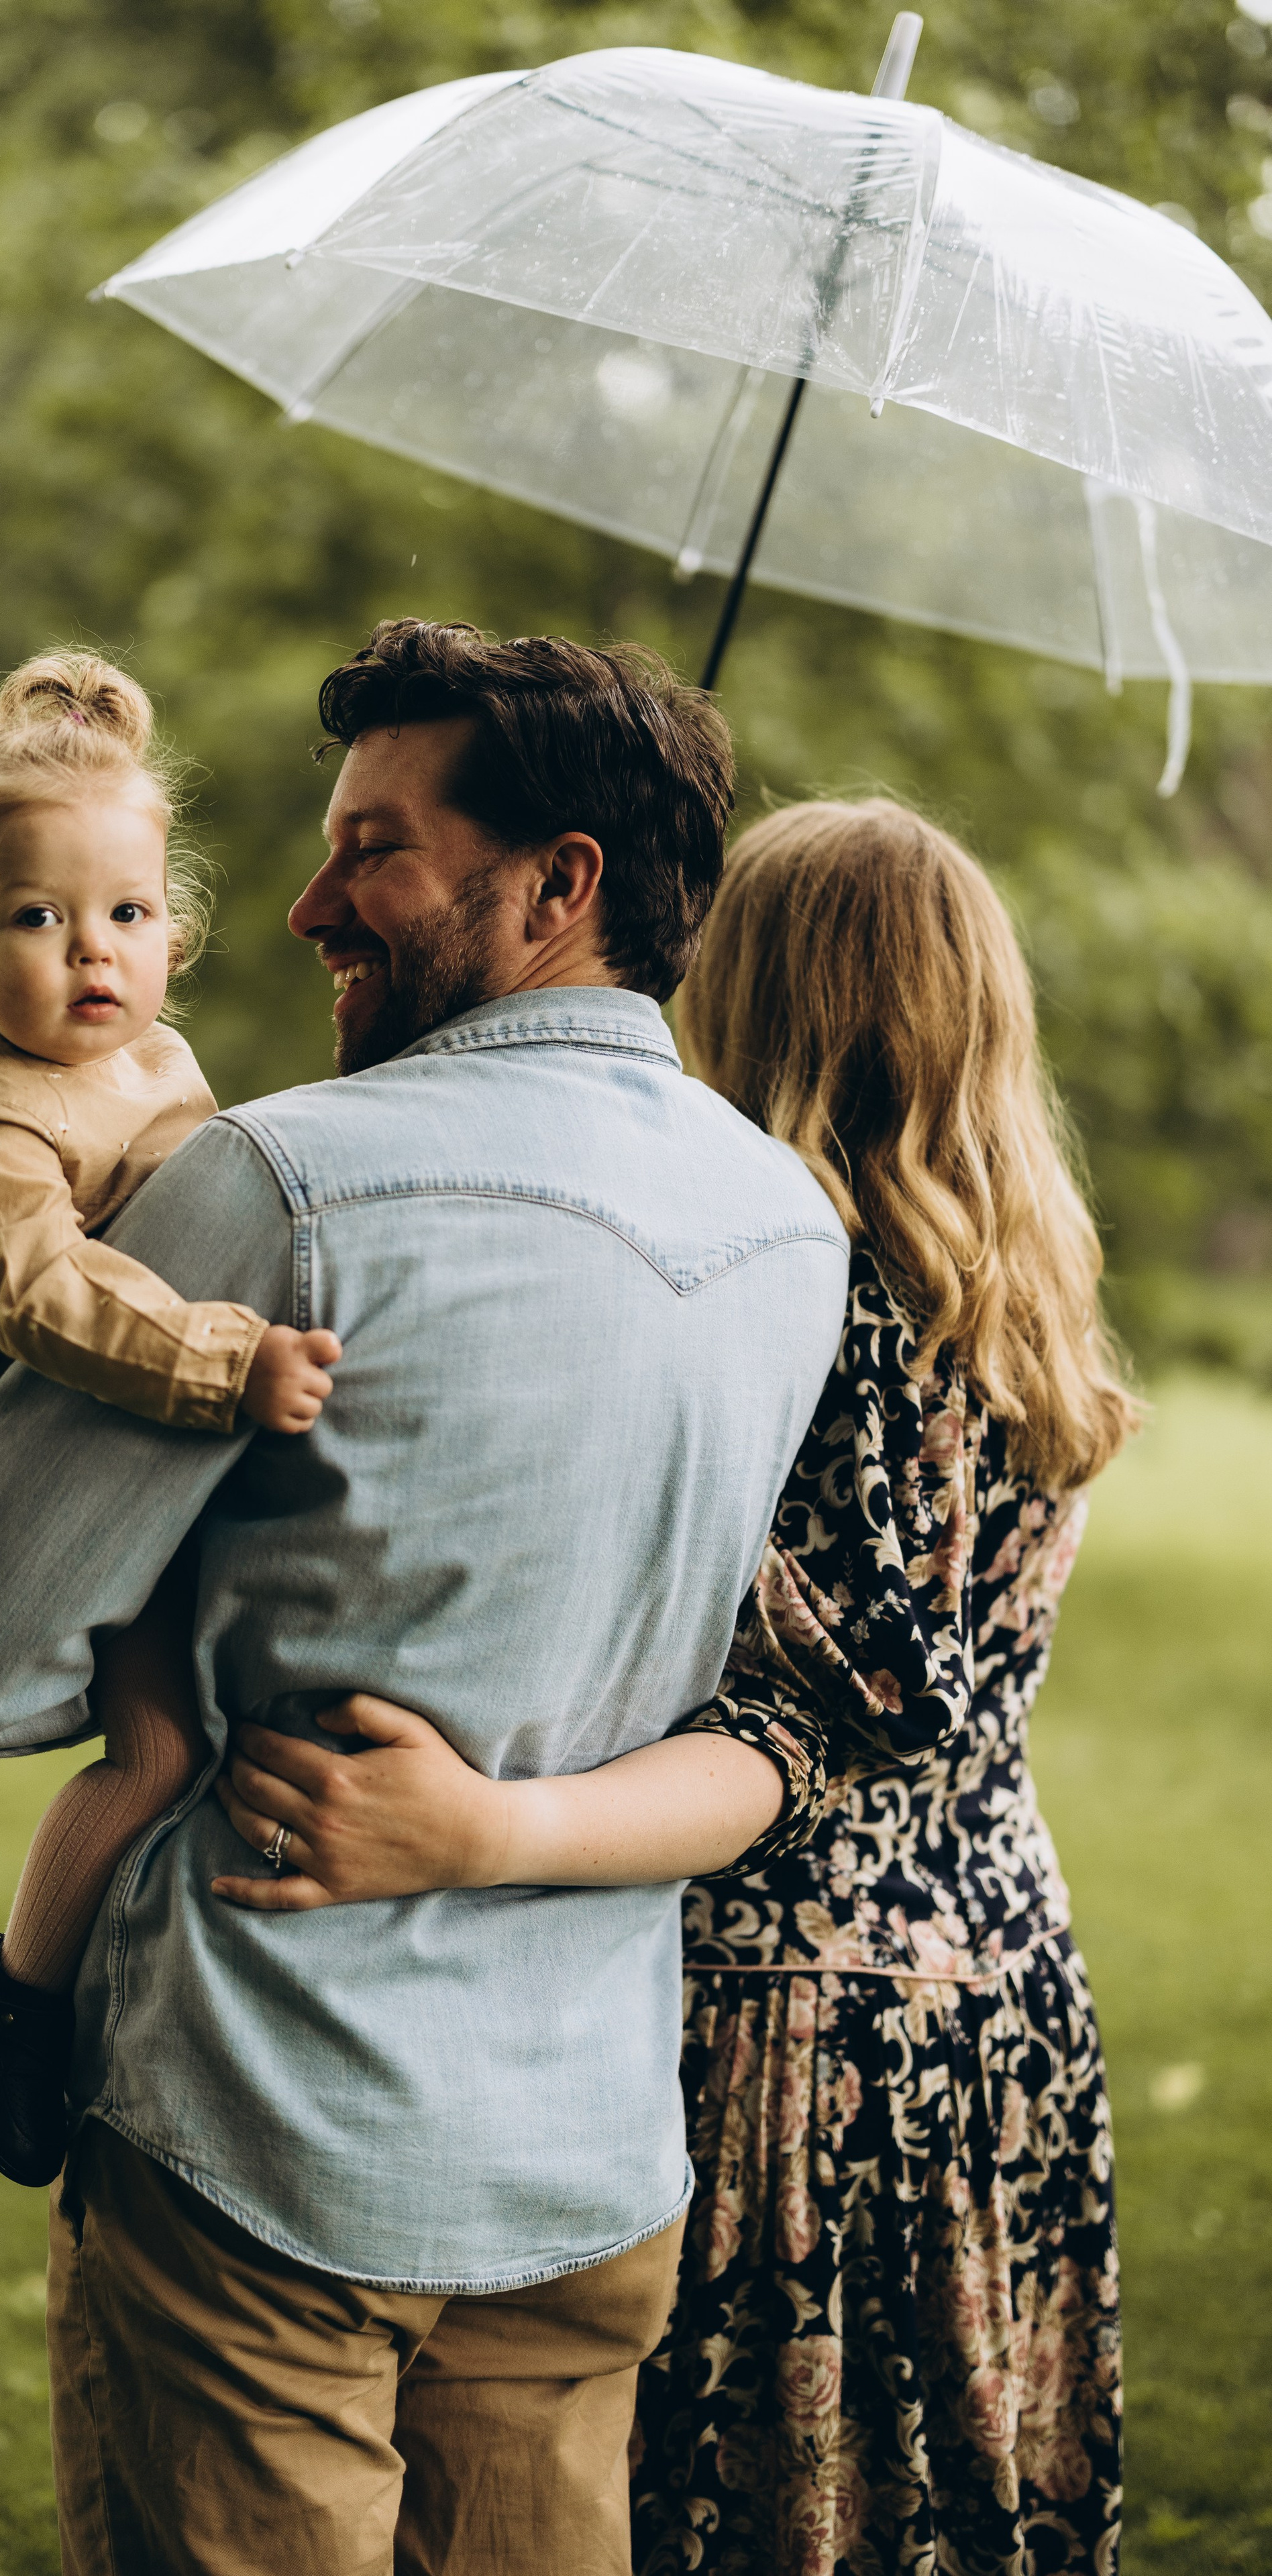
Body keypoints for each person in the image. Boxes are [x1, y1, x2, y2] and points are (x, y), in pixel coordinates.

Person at [0, 620, 851, 2576]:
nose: (307, 905)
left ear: (559, 884)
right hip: (582, 2156)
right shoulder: (790, 1223)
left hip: (260, 2138)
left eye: (374, 851)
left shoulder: (277, 1182)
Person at [221, 797, 1135, 2576]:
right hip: (1004, 1992)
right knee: (933, 2500)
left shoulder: (781, 1293)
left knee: (735, 2509)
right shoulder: (1025, 1298)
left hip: (771, 2021)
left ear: (751, 996)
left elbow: (789, 1715)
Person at [0, 649, 339, 2189]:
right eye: (35, 920)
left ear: (173, 926)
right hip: (62, 1453)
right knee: (155, 1747)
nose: (90, 954)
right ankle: (15, 1993)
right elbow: (44, 1295)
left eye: (125, 913)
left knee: (240, 1712)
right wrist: (226, 1362)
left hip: (162, 1443)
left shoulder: (158, 1062)